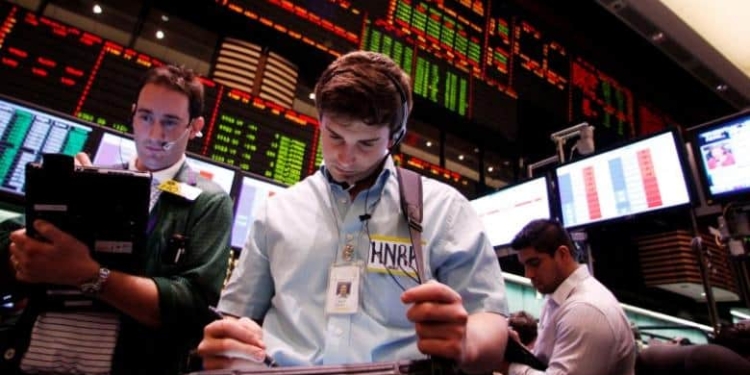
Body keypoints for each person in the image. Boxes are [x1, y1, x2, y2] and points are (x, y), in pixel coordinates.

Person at [197, 50, 509, 372]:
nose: (346, 157)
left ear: (395, 136)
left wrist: (467, 341)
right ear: (320, 121)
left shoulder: (445, 209)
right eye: (334, 137)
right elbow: (236, 317)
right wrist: (225, 342)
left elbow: (490, 321)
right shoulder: (276, 212)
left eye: (366, 143)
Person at [0, 65, 234, 375]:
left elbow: (191, 308)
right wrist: (47, 214)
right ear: (133, 113)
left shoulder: (208, 201)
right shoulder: (90, 176)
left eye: (170, 122)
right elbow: (8, 240)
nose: (154, 134)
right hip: (30, 357)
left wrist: (91, 275)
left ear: (195, 127)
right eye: (146, 117)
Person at [502, 219, 635, 375]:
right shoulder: (556, 299)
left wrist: (507, 367)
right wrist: (519, 352)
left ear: (562, 254)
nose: (528, 274)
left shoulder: (585, 309)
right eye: (524, 265)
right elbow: (549, 365)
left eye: (535, 263)